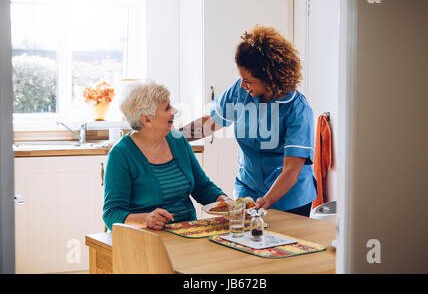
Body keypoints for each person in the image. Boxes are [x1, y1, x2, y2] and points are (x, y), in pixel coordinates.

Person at [180, 25, 316, 217]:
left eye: (249, 81)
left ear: (270, 78)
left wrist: (266, 201)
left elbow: (292, 169)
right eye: (241, 78)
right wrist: (174, 136)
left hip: (289, 198)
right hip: (248, 190)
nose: (243, 85)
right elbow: (209, 123)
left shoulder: (297, 109)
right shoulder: (240, 90)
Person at [103, 80, 228, 231]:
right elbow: (112, 213)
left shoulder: (178, 141)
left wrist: (224, 201)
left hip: (188, 232)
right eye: (167, 108)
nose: (174, 111)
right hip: (146, 238)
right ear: (147, 119)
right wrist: (147, 219)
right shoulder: (121, 154)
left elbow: (202, 187)